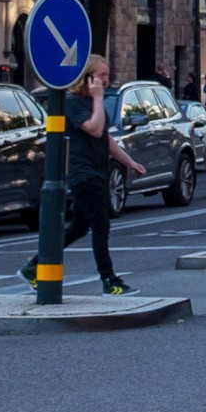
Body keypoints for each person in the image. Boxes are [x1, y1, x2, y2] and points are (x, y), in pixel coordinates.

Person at [27, 54, 144, 296]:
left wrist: (130, 161)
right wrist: (99, 99)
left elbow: (106, 139)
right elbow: (94, 128)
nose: (106, 80)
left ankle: (33, 267)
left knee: (78, 228)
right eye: (102, 76)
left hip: (97, 172)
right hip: (84, 173)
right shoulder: (74, 102)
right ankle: (109, 280)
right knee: (101, 226)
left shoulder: (92, 102)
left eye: (107, 75)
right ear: (88, 78)